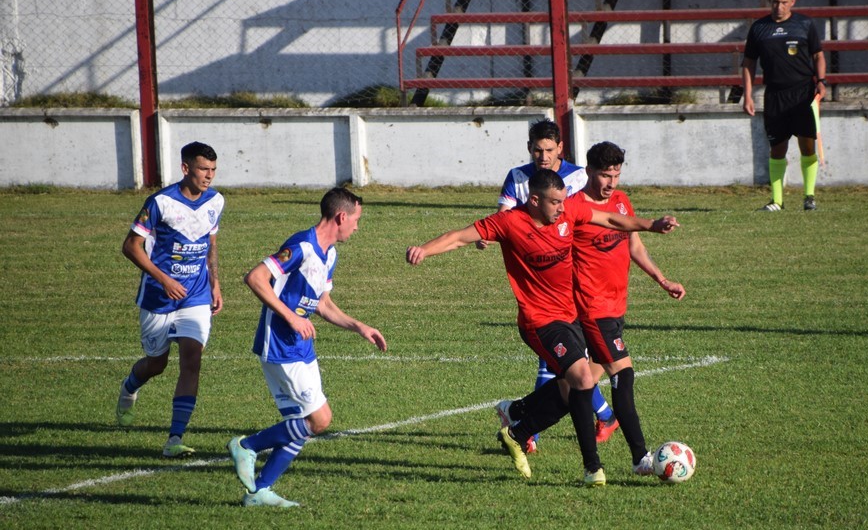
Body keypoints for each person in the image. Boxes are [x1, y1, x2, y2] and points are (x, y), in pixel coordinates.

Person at [407, 170, 679, 487]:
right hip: (539, 321)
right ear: (534, 200)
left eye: (563, 201)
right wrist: (425, 249)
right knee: (580, 378)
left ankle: (517, 425)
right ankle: (593, 469)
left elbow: (611, 221)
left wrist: (652, 226)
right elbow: (459, 237)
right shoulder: (510, 222)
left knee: (577, 385)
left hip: (573, 315)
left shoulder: (568, 210)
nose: (562, 209)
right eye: (554, 203)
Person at [497, 141, 686, 477]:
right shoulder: (570, 208)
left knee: (577, 387)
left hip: (616, 306)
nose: (610, 182)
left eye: (615, 174)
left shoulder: (621, 201)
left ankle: (518, 413)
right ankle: (639, 458)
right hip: (591, 308)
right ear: (589, 172)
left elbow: (633, 244)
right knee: (623, 375)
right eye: (604, 175)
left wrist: (662, 279)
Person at [226, 186, 387, 508]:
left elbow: (322, 304)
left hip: (301, 347)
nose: (357, 226)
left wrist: (359, 326)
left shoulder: (330, 255)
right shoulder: (300, 247)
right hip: (280, 346)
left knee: (302, 424)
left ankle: (259, 493)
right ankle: (247, 446)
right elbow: (255, 278)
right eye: (356, 219)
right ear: (341, 217)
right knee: (319, 420)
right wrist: (290, 316)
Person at [485, 119, 619, 453]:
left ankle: (532, 425)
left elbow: (589, 216)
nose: (542, 156)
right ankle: (590, 417)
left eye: (548, 149)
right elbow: (503, 214)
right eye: (536, 150)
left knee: (571, 363)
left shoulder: (576, 178)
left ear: (560, 148)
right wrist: (490, 236)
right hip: (540, 278)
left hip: (577, 276)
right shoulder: (518, 177)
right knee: (563, 363)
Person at [115, 141, 223, 458]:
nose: (209, 176)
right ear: (185, 167)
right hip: (159, 297)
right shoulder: (160, 202)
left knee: (192, 360)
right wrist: (164, 279)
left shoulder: (216, 201)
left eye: (214, 170)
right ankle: (130, 386)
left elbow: (210, 243)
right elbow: (131, 246)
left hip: (197, 294)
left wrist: (215, 283)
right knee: (157, 364)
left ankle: (174, 438)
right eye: (204, 169)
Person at [741, 0, 827, 211]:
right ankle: (776, 201)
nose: (779, 7)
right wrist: (747, 95)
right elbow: (749, 63)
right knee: (777, 149)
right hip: (775, 95)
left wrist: (822, 81)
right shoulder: (759, 28)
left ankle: (809, 196)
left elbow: (818, 55)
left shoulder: (805, 24)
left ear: (793, 2)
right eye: (775, 2)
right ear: (770, 2)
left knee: (807, 146)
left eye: (784, 2)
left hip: (803, 94)